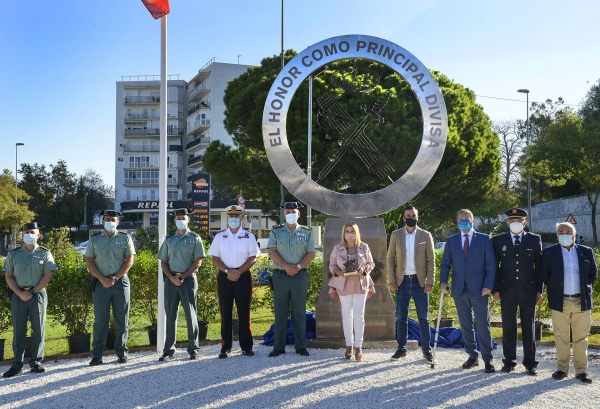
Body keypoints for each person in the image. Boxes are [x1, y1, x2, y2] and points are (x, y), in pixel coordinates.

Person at [440, 209, 497, 373]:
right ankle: (472, 356)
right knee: (465, 325)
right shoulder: (451, 241)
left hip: (480, 289)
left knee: (483, 325)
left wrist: (488, 285)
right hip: (459, 289)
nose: (464, 221)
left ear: (473, 221)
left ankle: (487, 359)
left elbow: (491, 265)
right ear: (457, 222)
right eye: (461, 219)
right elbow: (446, 264)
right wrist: (443, 282)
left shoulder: (484, 239)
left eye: (467, 218)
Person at [542, 222, 597, 384]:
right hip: (560, 300)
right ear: (557, 235)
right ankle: (561, 369)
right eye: (561, 232)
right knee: (561, 336)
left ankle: (581, 371)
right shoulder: (549, 252)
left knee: (581, 338)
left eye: (568, 232)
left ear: (574, 235)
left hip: (582, 300)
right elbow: (544, 275)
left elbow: (593, 275)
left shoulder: (586, 252)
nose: (564, 234)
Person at [1, 222, 57, 378]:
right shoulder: (14, 254)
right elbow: (9, 276)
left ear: (38, 235)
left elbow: (48, 275)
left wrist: (32, 291)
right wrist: (19, 293)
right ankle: (16, 365)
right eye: (26, 231)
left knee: (38, 329)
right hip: (18, 296)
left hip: (37, 295)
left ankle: (36, 363)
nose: (29, 234)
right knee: (18, 330)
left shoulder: (45, 253)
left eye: (32, 231)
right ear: (22, 234)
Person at [492, 208, 542, 375]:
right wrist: (496, 289)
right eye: (512, 220)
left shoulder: (535, 240)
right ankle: (509, 361)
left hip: (529, 289)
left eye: (519, 221)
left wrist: (539, 289)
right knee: (508, 327)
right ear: (507, 222)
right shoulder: (498, 240)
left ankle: (530, 363)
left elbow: (539, 267)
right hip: (507, 290)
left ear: (524, 223)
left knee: (529, 327)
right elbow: (495, 267)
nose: (515, 223)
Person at [208, 205, 260, 358]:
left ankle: (246, 346)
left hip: (242, 275)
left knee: (244, 311)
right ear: (227, 218)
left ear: (241, 218)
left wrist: (238, 272)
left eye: (236, 216)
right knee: (225, 311)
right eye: (231, 216)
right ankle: (225, 346)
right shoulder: (219, 236)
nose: (233, 219)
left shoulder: (248, 236)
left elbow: (253, 258)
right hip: (224, 275)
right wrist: (227, 271)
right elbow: (214, 258)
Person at [86, 210, 135, 366]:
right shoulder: (94, 239)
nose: (110, 222)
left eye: (113, 219)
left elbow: (129, 261)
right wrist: (102, 279)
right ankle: (97, 355)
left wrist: (114, 278)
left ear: (118, 222)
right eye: (107, 219)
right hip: (100, 283)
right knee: (100, 320)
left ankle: (122, 353)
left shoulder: (125, 238)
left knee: (122, 320)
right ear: (102, 221)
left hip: (120, 282)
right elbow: (89, 262)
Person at [387, 206, 435, 363]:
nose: (410, 217)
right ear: (403, 218)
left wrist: (430, 281)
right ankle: (401, 349)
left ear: (417, 217)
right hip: (402, 281)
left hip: (420, 282)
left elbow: (431, 260)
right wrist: (392, 280)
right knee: (401, 317)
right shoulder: (396, 235)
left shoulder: (425, 235)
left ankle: (426, 350)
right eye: (408, 215)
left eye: (413, 215)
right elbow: (390, 259)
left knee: (424, 318)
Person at [267, 201, 315, 357]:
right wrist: (287, 266)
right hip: (280, 276)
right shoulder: (276, 231)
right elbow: (272, 251)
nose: (290, 214)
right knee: (280, 312)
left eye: (293, 212)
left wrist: (298, 267)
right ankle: (278, 346)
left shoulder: (307, 232)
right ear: (284, 214)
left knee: (299, 312)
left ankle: (300, 345)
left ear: (299, 214)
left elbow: (311, 253)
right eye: (288, 212)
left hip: (299, 276)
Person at [157, 208, 205, 361]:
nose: (181, 220)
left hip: (188, 280)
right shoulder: (169, 239)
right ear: (174, 220)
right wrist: (172, 278)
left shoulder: (195, 238)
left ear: (188, 220)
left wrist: (182, 276)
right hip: (171, 280)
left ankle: (193, 349)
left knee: (191, 315)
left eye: (183, 217)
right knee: (170, 315)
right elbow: (163, 262)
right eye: (178, 217)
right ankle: (168, 350)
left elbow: (198, 261)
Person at [328, 223, 375, 361]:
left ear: (357, 233)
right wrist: (338, 272)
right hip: (344, 285)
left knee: (359, 316)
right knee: (347, 316)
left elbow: (371, 263)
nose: (349, 234)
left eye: (352, 231)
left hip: (360, 285)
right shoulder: (337, 248)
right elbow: (332, 264)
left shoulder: (364, 247)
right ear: (343, 233)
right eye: (347, 231)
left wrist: (364, 270)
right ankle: (349, 346)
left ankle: (359, 347)